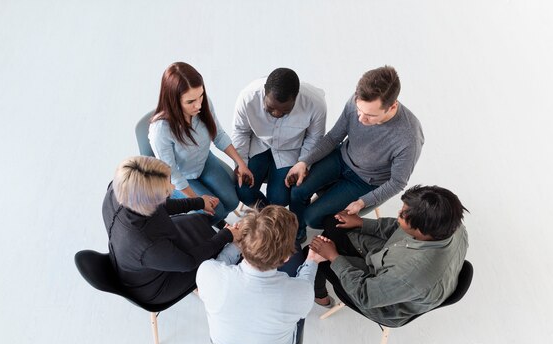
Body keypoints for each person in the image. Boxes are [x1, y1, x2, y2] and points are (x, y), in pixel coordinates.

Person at [288, 66, 425, 242]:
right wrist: (304, 162)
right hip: (341, 158)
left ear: (392, 107)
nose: (360, 118)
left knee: (312, 218)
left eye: (369, 115)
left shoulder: (409, 137)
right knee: (297, 190)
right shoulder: (356, 102)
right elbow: (332, 138)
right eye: (359, 110)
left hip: (366, 182)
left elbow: (397, 183)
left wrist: (363, 202)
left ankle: (304, 223)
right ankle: (295, 233)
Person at [308, 185, 469, 325]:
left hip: (374, 299)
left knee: (313, 257)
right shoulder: (453, 226)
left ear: (420, 231)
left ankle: (321, 296)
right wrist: (361, 223)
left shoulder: (410, 276)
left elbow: (365, 296)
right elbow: (397, 228)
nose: (398, 213)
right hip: (387, 256)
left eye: (403, 215)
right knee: (332, 223)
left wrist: (333, 257)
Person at [102, 156, 236, 305]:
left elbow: (161, 206)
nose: (173, 188)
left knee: (198, 222)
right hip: (155, 285)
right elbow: (188, 263)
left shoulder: (118, 191)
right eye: (166, 190)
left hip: (139, 258)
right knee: (215, 256)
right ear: (149, 201)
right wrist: (226, 235)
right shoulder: (147, 245)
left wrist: (198, 202)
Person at [196, 206, 326, 344]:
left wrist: (235, 244)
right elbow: (305, 287)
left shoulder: (208, 271)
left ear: (244, 244)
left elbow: (218, 264)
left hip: (222, 343)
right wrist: (312, 260)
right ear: (285, 258)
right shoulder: (301, 292)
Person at [148, 62, 252, 226]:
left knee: (232, 202)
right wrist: (197, 200)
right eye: (190, 102)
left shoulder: (204, 104)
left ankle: (217, 218)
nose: (198, 105)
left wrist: (241, 164)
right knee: (214, 213)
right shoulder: (160, 130)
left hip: (204, 161)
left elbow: (219, 136)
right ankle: (214, 224)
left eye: (201, 96)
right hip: (182, 177)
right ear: (174, 101)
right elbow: (173, 174)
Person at [231, 67, 326, 210]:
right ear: (265, 90)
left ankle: (271, 220)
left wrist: (303, 163)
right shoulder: (247, 97)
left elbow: (314, 138)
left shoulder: (315, 104)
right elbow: (240, 131)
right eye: (270, 108)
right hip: (258, 145)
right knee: (243, 190)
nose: (276, 113)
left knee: (279, 199)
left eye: (285, 111)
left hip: (290, 150)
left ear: (296, 97)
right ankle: (270, 219)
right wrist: (241, 163)